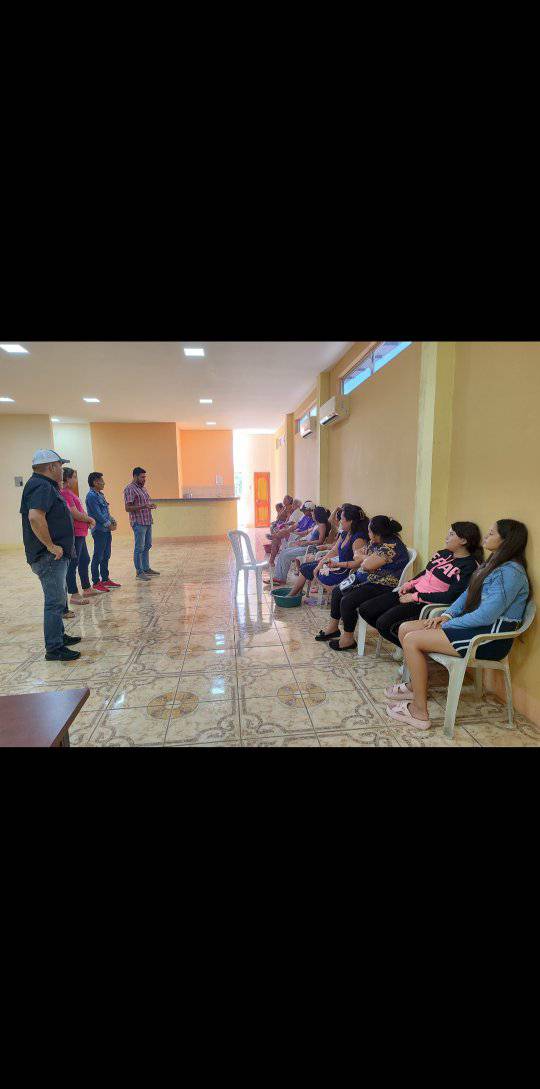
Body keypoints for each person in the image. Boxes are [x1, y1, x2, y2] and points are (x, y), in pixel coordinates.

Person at [386, 519, 530, 731]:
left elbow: (486, 617)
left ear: (507, 541)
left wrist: (449, 623)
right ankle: (416, 686)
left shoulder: (511, 573)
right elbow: (467, 594)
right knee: (405, 628)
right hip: (477, 627)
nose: (486, 536)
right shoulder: (494, 564)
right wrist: (447, 615)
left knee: (412, 640)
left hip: (489, 638)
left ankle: (419, 712)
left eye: (491, 533)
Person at [355, 522, 482, 648]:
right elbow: (426, 572)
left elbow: (452, 596)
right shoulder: (444, 553)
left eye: (451, 534)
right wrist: (410, 583)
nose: (446, 537)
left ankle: (415, 649)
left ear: (463, 540)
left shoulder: (468, 566)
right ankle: (404, 643)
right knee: (366, 609)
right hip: (413, 592)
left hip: (426, 602)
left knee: (384, 624)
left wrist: (415, 597)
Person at [19, 449, 82, 661]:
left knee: (58, 599)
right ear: (52, 466)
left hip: (52, 557)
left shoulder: (44, 485)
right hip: (49, 557)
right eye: (60, 466)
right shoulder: (41, 486)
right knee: (54, 602)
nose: (62, 471)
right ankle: (54, 648)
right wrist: (50, 546)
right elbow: (35, 517)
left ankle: (59, 636)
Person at [315, 515, 409, 650]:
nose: (368, 533)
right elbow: (358, 555)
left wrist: (364, 558)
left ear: (377, 533)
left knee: (347, 601)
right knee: (337, 591)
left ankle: (348, 639)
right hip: (366, 579)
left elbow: (366, 565)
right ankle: (333, 628)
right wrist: (366, 557)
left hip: (382, 584)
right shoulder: (376, 542)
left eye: (369, 531)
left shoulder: (391, 547)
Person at [286, 504, 370, 601]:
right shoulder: (345, 533)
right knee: (306, 566)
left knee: (310, 569)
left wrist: (333, 564)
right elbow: (334, 550)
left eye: (342, 519)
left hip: (344, 572)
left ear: (350, 521)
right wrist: (321, 563)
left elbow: (357, 564)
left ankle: (292, 596)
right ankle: (294, 595)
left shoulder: (358, 539)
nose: (340, 521)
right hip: (337, 565)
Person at [60, 468, 98, 605]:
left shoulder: (71, 493)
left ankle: (86, 588)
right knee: (73, 563)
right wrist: (89, 519)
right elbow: (74, 513)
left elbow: (79, 511)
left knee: (84, 559)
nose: (76, 480)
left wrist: (86, 520)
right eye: (74, 477)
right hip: (75, 533)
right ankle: (74, 594)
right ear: (67, 478)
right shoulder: (64, 493)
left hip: (81, 532)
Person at [270, 506, 331, 585]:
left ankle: (280, 578)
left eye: (313, 513)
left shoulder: (322, 525)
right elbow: (306, 533)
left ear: (317, 515)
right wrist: (301, 540)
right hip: (305, 545)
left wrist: (306, 543)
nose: (312, 515)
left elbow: (320, 541)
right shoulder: (316, 525)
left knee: (286, 555)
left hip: (310, 548)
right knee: (283, 552)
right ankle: (278, 577)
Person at [86, 472, 120, 592]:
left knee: (106, 555)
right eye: (101, 481)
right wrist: (108, 524)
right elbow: (97, 514)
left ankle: (105, 579)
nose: (104, 483)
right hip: (99, 530)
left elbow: (105, 512)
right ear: (95, 482)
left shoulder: (100, 494)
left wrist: (112, 520)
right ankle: (96, 582)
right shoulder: (91, 496)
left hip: (106, 530)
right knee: (98, 556)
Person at [123, 466, 159, 581]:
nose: (144, 479)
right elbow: (128, 508)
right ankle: (139, 572)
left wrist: (150, 505)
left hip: (147, 521)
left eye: (145, 477)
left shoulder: (143, 489)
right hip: (138, 522)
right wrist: (144, 506)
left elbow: (145, 503)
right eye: (142, 477)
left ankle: (146, 568)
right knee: (139, 547)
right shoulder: (130, 489)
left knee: (147, 545)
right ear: (135, 476)